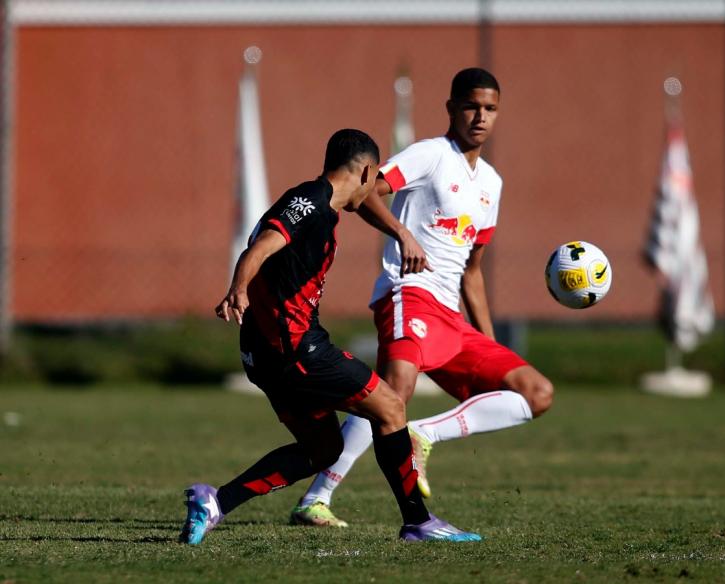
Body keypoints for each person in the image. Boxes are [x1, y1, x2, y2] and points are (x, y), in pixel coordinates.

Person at [178, 129, 480, 544]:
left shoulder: (314, 201)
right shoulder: (314, 207)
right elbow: (264, 245)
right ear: (368, 171)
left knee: (322, 450)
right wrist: (239, 287)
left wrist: (401, 234)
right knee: (390, 407)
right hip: (298, 350)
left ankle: (216, 502)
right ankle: (419, 521)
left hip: (263, 355)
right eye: (374, 182)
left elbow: (276, 241)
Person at [291, 69, 554, 528]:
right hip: (407, 295)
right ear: (451, 108)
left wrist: (489, 342)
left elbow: (472, 271)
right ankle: (319, 497)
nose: (480, 116)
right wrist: (402, 233)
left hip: (451, 317)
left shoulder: (491, 183)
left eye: (490, 109)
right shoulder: (431, 155)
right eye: (471, 106)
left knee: (536, 393)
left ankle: (422, 434)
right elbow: (365, 192)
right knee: (393, 393)